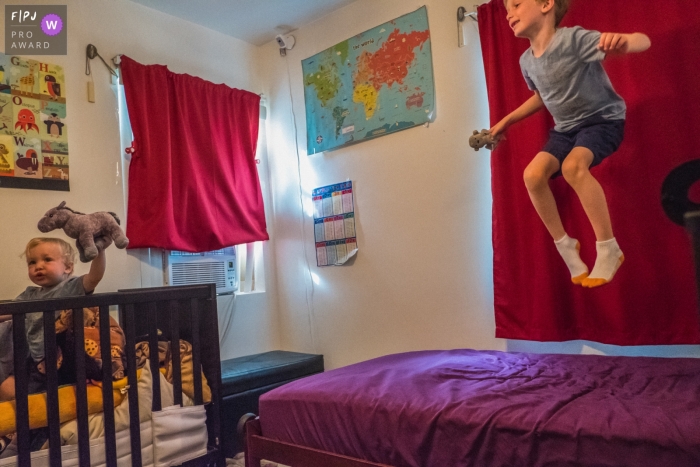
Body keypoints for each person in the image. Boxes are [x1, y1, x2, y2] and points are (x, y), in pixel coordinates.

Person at [490, 0, 650, 287]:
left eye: (515, 4)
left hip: (602, 121)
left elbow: (642, 41)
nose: (509, 14)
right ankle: (565, 244)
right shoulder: (526, 61)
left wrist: (625, 41)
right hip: (565, 130)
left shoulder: (573, 39)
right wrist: (506, 121)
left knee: (573, 167)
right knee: (532, 175)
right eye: (505, 10)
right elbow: (542, 96)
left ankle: (608, 246)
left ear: (546, 5)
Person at [0, 237, 106, 402]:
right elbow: (9, 311)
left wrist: (100, 251)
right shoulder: (30, 294)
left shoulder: (70, 287)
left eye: (47, 260)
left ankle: (39, 425)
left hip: (61, 358)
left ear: (68, 267)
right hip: (35, 359)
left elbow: (94, 277)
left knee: (41, 399)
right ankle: (19, 423)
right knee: (7, 389)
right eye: (32, 262)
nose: (38, 266)